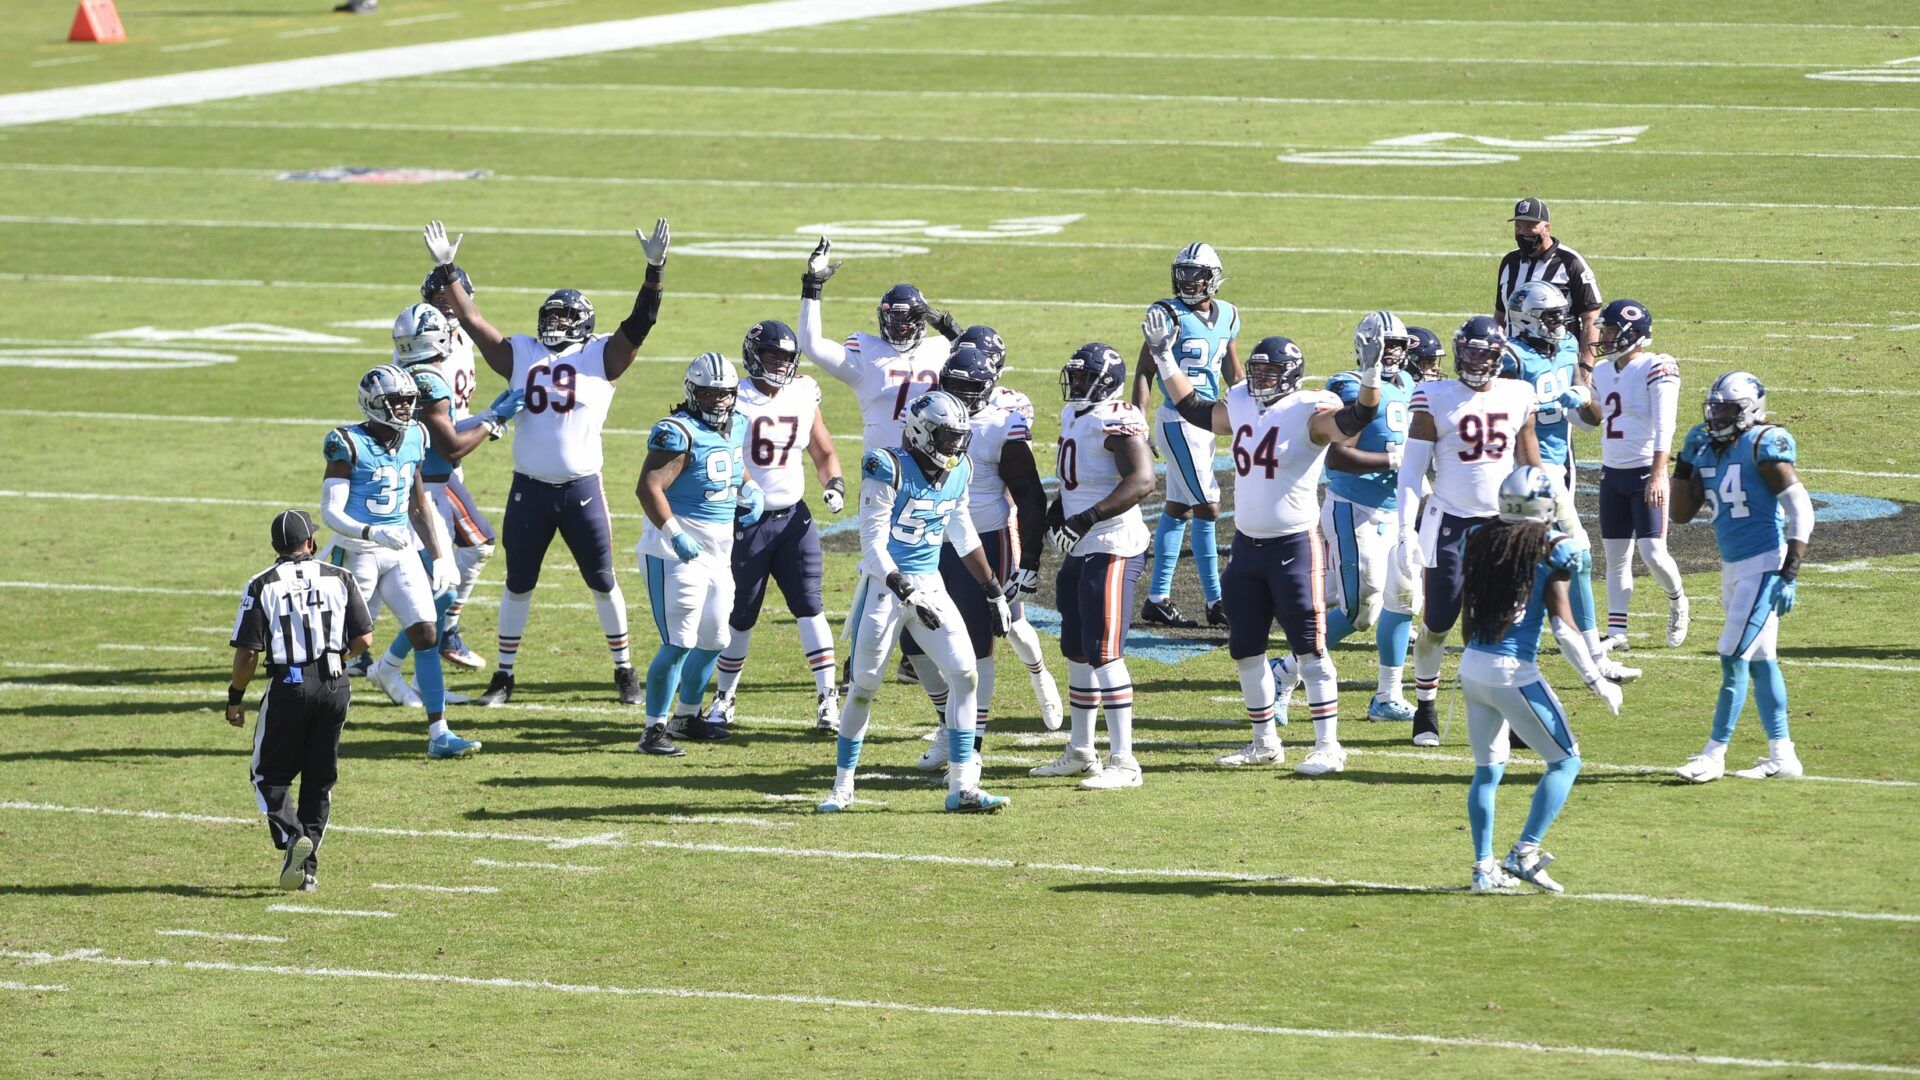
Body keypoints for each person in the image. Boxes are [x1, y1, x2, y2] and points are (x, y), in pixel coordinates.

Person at [421, 218, 671, 707]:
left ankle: (624, 671)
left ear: (581, 322)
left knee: (603, 581)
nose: (553, 325)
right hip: (529, 489)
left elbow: (641, 322)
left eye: (562, 318)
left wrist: (655, 270)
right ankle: (505, 676)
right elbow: (472, 320)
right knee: (517, 584)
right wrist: (447, 267)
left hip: (580, 488)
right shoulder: (522, 352)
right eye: (549, 317)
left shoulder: (602, 356)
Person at [1146, 312, 1380, 776]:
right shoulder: (1241, 400)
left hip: (1294, 547)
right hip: (1248, 548)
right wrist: (1163, 356)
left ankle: (1328, 744)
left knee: (1311, 648)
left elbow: (1358, 417)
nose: (1260, 380)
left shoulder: (1310, 409)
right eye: (1256, 371)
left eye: (1270, 373)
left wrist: (1370, 374)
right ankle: (1263, 742)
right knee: (1246, 649)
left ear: (1291, 376)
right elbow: (1196, 409)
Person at [816, 390, 1012, 813]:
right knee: (865, 687)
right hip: (885, 587)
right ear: (922, 434)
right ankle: (842, 786)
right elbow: (871, 544)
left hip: (929, 582)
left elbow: (962, 533)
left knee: (964, 674)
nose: (955, 447)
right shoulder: (886, 466)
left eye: (960, 438)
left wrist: (992, 588)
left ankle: (962, 788)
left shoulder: (961, 471)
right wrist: (904, 589)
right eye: (947, 438)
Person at [793, 237, 961, 689]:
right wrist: (812, 287)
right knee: (878, 566)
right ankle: (856, 662)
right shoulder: (865, 354)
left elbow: (978, 369)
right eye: (892, 320)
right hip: (886, 472)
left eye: (908, 321)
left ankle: (914, 654)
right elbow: (810, 343)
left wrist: (952, 331)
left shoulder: (938, 352)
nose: (900, 328)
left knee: (926, 562)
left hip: (931, 470)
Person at [1458, 468, 1623, 894]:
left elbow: (1467, 617)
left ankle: (1482, 869)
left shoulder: (1478, 537)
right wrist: (1596, 680)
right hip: (1513, 673)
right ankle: (1524, 852)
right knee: (1566, 762)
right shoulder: (1553, 549)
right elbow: (1565, 629)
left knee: (1487, 771)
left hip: (1472, 667)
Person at [360, 304, 523, 706]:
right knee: (434, 592)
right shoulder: (429, 381)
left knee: (439, 590)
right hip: (422, 494)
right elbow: (449, 446)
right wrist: (490, 421)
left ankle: (393, 668)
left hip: (418, 488)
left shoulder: (401, 376)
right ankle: (386, 665)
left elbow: (438, 436)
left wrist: (485, 417)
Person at [1395, 317, 1543, 748]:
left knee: (1502, 622)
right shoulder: (1435, 395)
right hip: (1450, 521)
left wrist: (1548, 521)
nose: (1477, 361)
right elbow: (1410, 473)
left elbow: (1532, 468)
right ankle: (1425, 705)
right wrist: (1406, 530)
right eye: (1470, 352)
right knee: (1439, 623)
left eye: (1486, 353)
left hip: (1502, 524)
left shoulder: (1519, 394)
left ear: (1500, 358)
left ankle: (1511, 710)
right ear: (1459, 352)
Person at [316, 365, 477, 759]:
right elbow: (330, 511)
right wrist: (372, 533)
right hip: (358, 553)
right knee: (347, 646)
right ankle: (308, 718)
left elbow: (418, 501)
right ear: (374, 403)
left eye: (409, 400)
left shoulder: (416, 437)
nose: (407, 407)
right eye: (398, 401)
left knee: (425, 632)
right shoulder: (347, 442)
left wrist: (439, 556)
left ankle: (439, 734)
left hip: (399, 548)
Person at [911, 342, 1056, 771]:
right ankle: (947, 723)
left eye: (970, 387)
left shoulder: (1001, 424)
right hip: (931, 538)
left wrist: (1030, 557)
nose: (960, 393)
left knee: (990, 637)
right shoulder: (928, 411)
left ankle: (973, 744)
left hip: (986, 538)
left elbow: (1031, 495)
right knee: (913, 641)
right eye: (953, 384)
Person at [704, 321, 846, 735]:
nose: (780, 366)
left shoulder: (803, 392)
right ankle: (725, 697)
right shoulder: (735, 398)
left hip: (793, 520)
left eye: (786, 359)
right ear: (752, 357)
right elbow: (722, 456)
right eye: (772, 358)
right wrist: (744, 490)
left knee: (810, 605)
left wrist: (834, 482)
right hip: (745, 522)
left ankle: (827, 701)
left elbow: (823, 449)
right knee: (740, 615)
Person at [1670, 373, 1812, 783]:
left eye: (1726, 409)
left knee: (1733, 657)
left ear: (1749, 410)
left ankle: (1714, 755)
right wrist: (1684, 464)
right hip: (1734, 567)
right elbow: (1680, 514)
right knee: (1763, 662)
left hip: (1765, 563)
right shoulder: (1708, 446)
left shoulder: (1764, 444)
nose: (1716, 416)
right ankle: (1783, 755)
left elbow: (1802, 510)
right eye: (1713, 408)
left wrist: (1790, 573)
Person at [1027, 344, 1156, 789]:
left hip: (1113, 543)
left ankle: (1125, 762)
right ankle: (1082, 751)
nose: (1076, 385)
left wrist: (1084, 518)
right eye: (1074, 377)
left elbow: (1142, 480)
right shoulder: (1076, 416)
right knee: (1077, 649)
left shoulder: (1116, 419)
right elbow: (1076, 478)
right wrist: (1058, 510)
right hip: (1083, 546)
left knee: (1104, 652)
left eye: (1084, 379)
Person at [228, 510, 373, 892]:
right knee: (319, 780)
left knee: (267, 775)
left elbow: (248, 654)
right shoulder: (341, 578)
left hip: (289, 685)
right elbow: (365, 640)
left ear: (275, 546)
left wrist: (235, 697)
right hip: (334, 684)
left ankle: (293, 837)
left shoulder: (262, 584)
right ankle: (307, 870)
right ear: (310, 542)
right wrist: (334, 662)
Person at [1501, 280, 1638, 685]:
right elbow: (1498, 416)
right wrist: (1544, 404)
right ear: (1527, 318)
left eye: (1562, 314)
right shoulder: (1510, 357)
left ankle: (1580, 655)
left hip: (1559, 465)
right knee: (1574, 555)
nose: (1559, 323)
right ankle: (1592, 657)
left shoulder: (1564, 349)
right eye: (1551, 315)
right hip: (1520, 471)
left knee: (1550, 563)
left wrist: (1582, 398)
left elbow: (1592, 418)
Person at [633, 354, 757, 756]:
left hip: (719, 549)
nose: (718, 401)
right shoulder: (677, 432)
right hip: (675, 550)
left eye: (724, 394)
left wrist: (749, 490)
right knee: (679, 641)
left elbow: (736, 468)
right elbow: (649, 487)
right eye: (708, 393)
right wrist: (674, 533)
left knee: (716, 637)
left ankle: (685, 717)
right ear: (692, 391)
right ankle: (653, 730)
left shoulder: (738, 423)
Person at [1130, 243, 1241, 628]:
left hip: (1210, 421)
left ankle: (1157, 598)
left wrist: (1247, 404)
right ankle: (1217, 601)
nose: (1187, 280)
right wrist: (1139, 425)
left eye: (1196, 273)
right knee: (1208, 505)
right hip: (1179, 420)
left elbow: (1232, 368)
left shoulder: (1227, 314)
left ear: (1214, 277)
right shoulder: (1166, 313)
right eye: (1183, 272)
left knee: (1179, 506)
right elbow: (1144, 371)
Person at [1318, 312, 1423, 724]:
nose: (1392, 352)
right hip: (1353, 508)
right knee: (1359, 612)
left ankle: (1387, 695)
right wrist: (1394, 459)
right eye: (1385, 344)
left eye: (1398, 344)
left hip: (1397, 510)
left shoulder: (1409, 385)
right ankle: (1286, 671)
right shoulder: (1346, 385)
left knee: (1402, 600)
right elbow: (1337, 455)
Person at [1576, 299, 1689, 649]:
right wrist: (1563, 402)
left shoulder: (1658, 367)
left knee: (1653, 551)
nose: (1604, 337)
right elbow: (1591, 421)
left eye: (1610, 330)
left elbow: (1665, 424)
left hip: (1644, 472)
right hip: (1612, 474)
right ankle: (1618, 632)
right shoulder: (1606, 372)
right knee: (1615, 556)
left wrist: (1659, 473)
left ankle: (1678, 601)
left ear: (1630, 333)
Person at [419, 264, 500, 670]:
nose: (448, 308)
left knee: (407, 561)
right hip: (430, 466)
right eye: (440, 301)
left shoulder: (465, 335)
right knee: (465, 551)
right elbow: (443, 436)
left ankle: (363, 650)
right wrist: (488, 422)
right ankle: (444, 631)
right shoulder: (425, 351)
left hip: (451, 454)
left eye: (454, 299)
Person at [1495, 197, 1603, 371]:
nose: (1523, 232)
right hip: (1513, 362)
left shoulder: (1570, 262)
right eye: (1518, 226)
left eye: (1531, 226)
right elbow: (1500, 315)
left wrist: (1586, 366)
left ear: (1547, 228)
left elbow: (1591, 317)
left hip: (1556, 364)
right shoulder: (1509, 262)